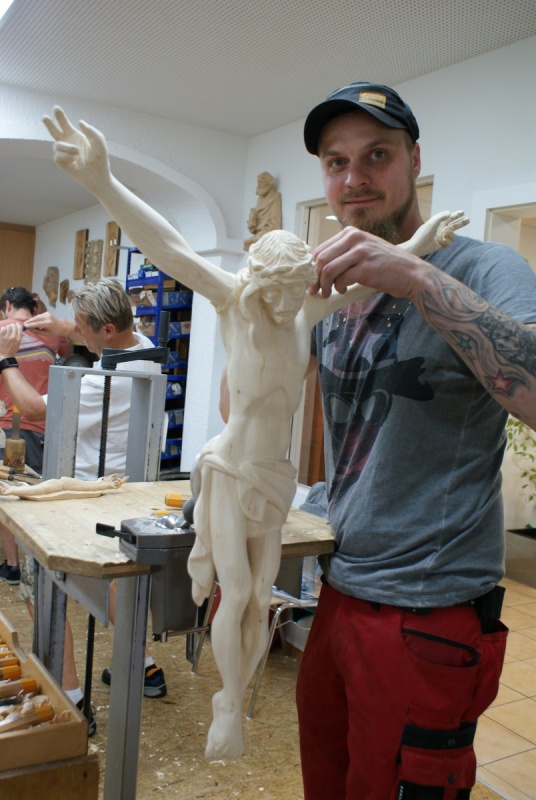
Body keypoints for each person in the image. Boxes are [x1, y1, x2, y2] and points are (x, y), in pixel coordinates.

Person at [39, 106, 468, 760]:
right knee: (236, 592)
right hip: (232, 469)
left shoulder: (301, 310)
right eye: (278, 290)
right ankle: (228, 707)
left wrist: (419, 245)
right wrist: (103, 180)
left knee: (261, 595)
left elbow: (366, 280)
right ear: (257, 279)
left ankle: (234, 696)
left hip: (274, 476)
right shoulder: (237, 301)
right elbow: (170, 248)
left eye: (296, 289)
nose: (286, 302)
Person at [291, 82, 536, 799]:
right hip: (338, 592)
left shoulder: (483, 268)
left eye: (377, 155)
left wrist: (415, 277)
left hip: (428, 610)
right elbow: (239, 404)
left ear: (415, 160)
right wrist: (269, 312)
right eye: (336, 162)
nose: (354, 178)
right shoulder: (332, 295)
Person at [0, 278, 168, 737]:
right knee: (117, 582)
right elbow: (100, 334)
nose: (76, 331)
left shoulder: (101, 383)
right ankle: (144, 666)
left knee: (40, 584)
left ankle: (71, 699)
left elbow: (33, 407)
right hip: (125, 491)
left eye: (82, 326)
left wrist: (6, 359)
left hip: (86, 495)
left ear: (107, 330)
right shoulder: (144, 348)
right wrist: (63, 327)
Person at [0, 286, 71, 586]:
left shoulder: (3, 330)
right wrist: (45, 314)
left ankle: (13, 565)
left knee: (9, 497)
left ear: (7, 305)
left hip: (11, 425)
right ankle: (39, 565)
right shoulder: (53, 334)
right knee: (34, 494)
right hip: (44, 426)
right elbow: (69, 351)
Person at [243, 171, 282, 251]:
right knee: (246, 244)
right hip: (258, 234)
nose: (259, 185)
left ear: (269, 183)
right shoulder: (259, 200)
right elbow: (253, 227)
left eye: (262, 182)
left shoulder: (274, 197)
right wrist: (252, 220)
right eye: (258, 182)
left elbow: (275, 223)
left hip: (267, 234)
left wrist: (261, 234)